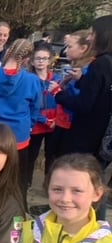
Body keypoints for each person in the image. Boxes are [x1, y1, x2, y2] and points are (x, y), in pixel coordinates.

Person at [0, 38, 44, 211]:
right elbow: (35, 108)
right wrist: (28, 125)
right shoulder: (32, 81)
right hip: (18, 137)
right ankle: (18, 214)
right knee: (18, 181)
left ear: (7, 52)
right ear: (28, 58)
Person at [52, 16, 112, 157]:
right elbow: (101, 90)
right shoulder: (108, 61)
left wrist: (58, 94)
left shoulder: (99, 63)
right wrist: (82, 80)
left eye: (93, 34)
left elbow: (84, 104)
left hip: (86, 133)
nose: (90, 38)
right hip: (100, 131)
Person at [45, 30, 93, 170]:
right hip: (62, 121)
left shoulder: (88, 71)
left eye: (70, 46)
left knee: (64, 159)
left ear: (83, 48)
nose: (65, 51)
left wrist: (58, 92)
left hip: (71, 126)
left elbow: (80, 101)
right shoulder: (77, 67)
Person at [26, 43, 58, 188]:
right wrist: (43, 119)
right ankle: (26, 183)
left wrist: (55, 119)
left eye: (44, 58)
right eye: (38, 58)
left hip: (54, 123)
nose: (41, 61)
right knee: (30, 156)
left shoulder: (56, 79)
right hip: (37, 124)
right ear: (32, 61)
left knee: (51, 156)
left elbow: (61, 101)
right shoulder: (28, 79)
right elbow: (28, 104)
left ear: (49, 61)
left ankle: (50, 184)